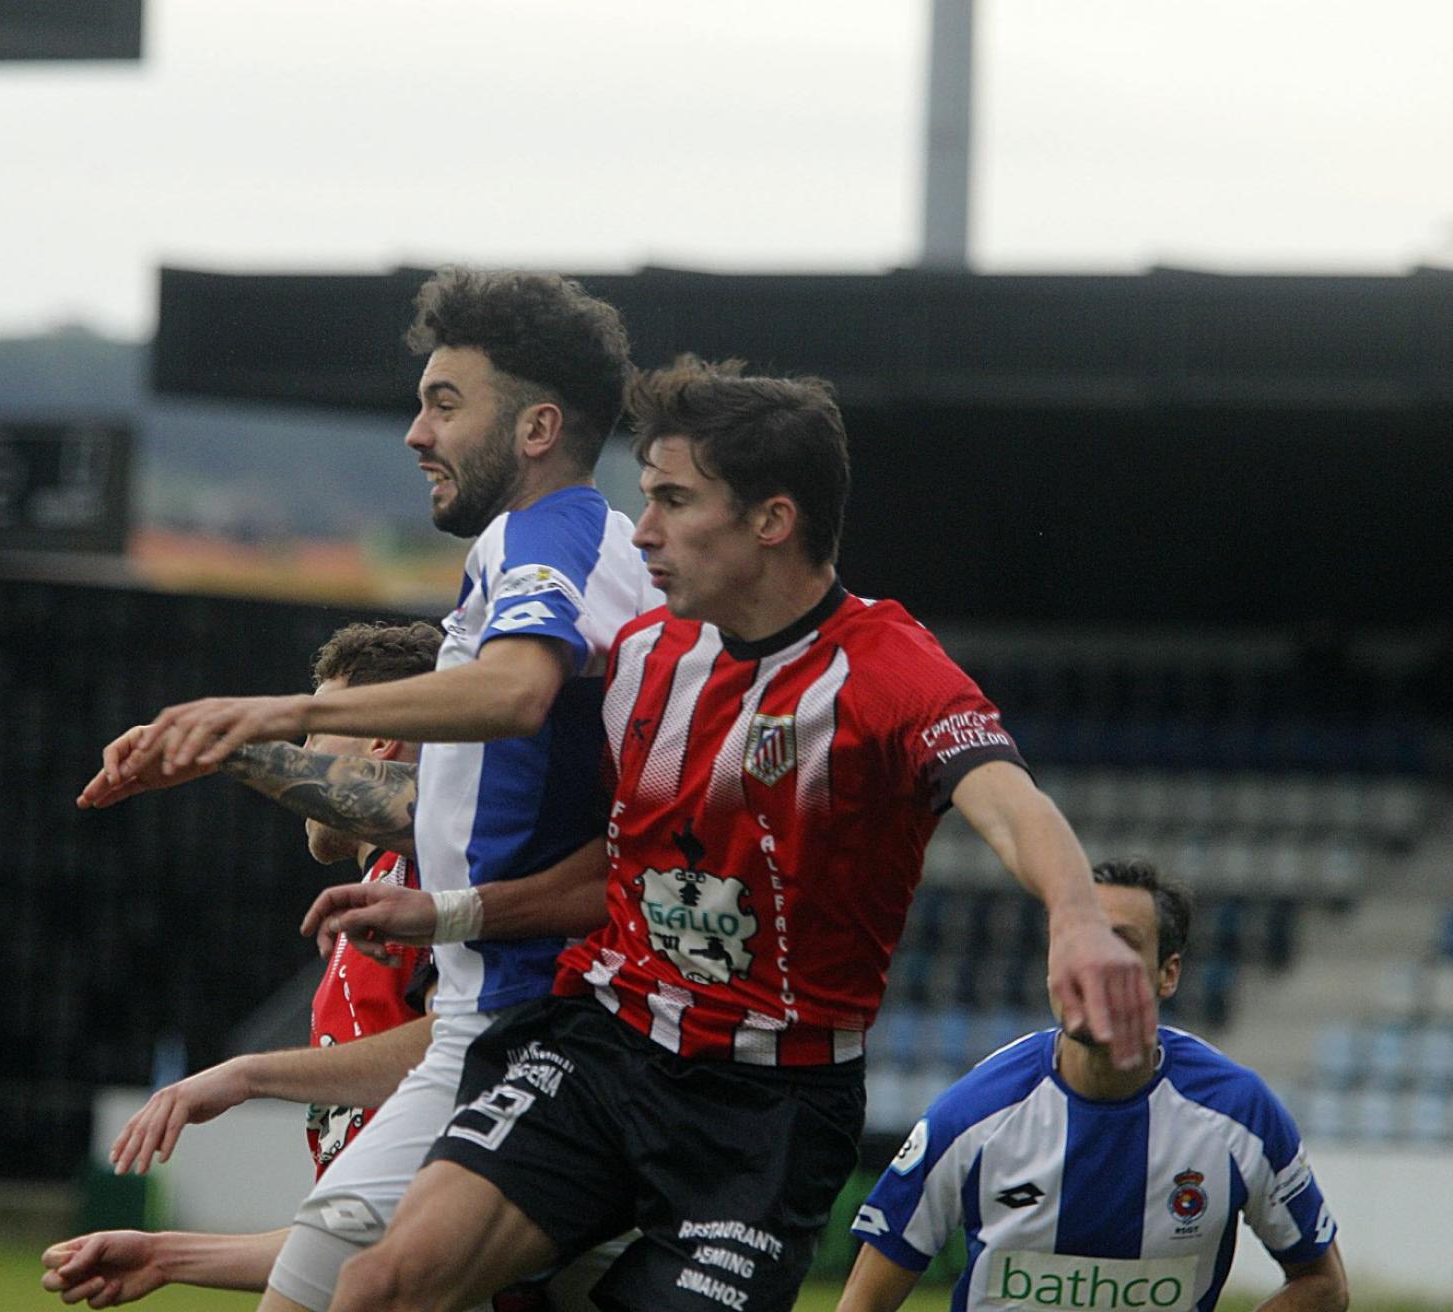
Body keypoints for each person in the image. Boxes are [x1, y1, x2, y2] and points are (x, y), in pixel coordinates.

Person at [304, 356, 1155, 1312]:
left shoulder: (887, 671)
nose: (645, 529)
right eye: (644, 496)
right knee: (380, 1283)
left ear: (772, 520)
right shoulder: (643, 655)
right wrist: (449, 910)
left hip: (768, 1113)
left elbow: (1006, 795)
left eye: (673, 499)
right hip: (602, 1049)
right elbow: (610, 863)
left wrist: (1077, 917)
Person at [76, 268, 659, 1312]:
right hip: (516, 1027)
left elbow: (518, 696)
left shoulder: (550, 536)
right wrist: (235, 746)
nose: (413, 434)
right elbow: (419, 806)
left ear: (535, 426)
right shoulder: (583, 553)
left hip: (536, 1026)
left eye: (444, 403)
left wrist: (276, 716)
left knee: (341, 1288)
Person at [40, 622, 442, 1309]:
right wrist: (168, 1255)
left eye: (316, 732)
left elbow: (461, 1046)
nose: (302, 753)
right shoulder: (382, 887)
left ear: (379, 740)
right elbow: (348, 1244)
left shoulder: (442, 878)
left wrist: (250, 1074)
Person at [839, 858, 1348, 1312]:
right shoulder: (973, 1115)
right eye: (1074, 943)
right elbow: (863, 1303)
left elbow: (1323, 1285)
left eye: (1119, 945)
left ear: (1167, 975)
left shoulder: (1240, 1115)